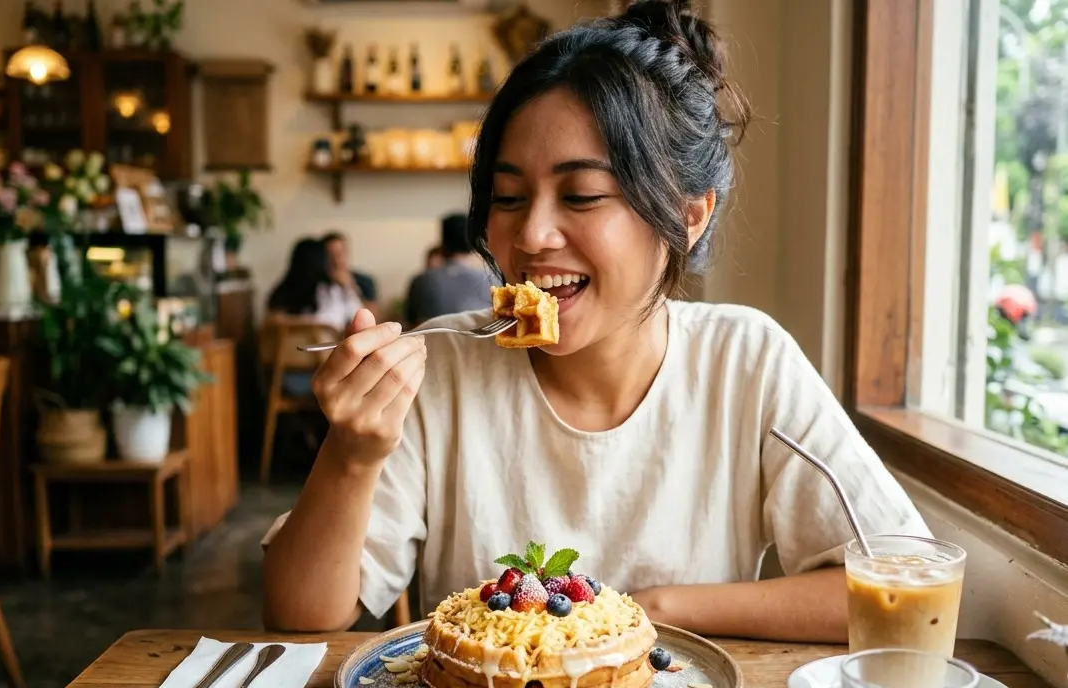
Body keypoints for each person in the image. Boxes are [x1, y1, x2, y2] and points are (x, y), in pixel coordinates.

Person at [263, 0, 932, 639]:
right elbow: (299, 613)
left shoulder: (745, 362)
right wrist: (351, 455)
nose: (531, 234)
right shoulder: (440, 369)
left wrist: (654, 608)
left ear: (687, 216)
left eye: (581, 194)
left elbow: (907, 590)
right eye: (507, 196)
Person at [267, 238, 360, 397]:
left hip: (282, 379)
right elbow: (361, 318)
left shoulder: (278, 296)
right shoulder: (334, 292)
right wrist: (350, 286)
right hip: (330, 377)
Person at [402, 214, 494, 326]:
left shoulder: (422, 281)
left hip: (432, 342)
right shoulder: (492, 281)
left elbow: (411, 326)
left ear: (443, 243)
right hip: (480, 343)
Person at [321, 232, 380, 317]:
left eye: (340, 253)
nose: (337, 260)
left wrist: (351, 286)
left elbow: (374, 316)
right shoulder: (317, 282)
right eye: (331, 255)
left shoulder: (365, 281)